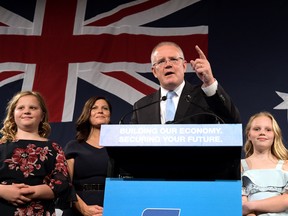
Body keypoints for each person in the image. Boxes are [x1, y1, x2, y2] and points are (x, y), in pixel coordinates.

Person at [130, 41, 241, 124]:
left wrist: (210, 81)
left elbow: (231, 121)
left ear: (184, 66)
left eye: (173, 59)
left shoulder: (205, 97)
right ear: (154, 71)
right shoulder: (141, 107)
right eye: (161, 61)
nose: (168, 64)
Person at [0, 90, 73, 215]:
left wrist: (31, 191)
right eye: (21, 107)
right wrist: (3, 191)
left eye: (33, 107)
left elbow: (62, 184)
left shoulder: (54, 148)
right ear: (12, 114)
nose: (27, 111)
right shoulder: (1, 146)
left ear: (42, 115)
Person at [62, 96, 112, 216]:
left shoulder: (118, 148)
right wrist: (83, 208)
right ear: (87, 114)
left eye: (105, 108)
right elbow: (65, 183)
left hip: (110, 207)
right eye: (94, 108)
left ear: (109, 115)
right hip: (77, 208)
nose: (100, 111)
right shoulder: (73, 146)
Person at [242, 111, 288, 216]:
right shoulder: (238, 167)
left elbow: (286, 200)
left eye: (268, 130)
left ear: (275, 135)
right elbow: (241, 205)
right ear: (249, 135)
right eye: (257, 129)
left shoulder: (287, 165)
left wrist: (250, 206)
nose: (262, 132)